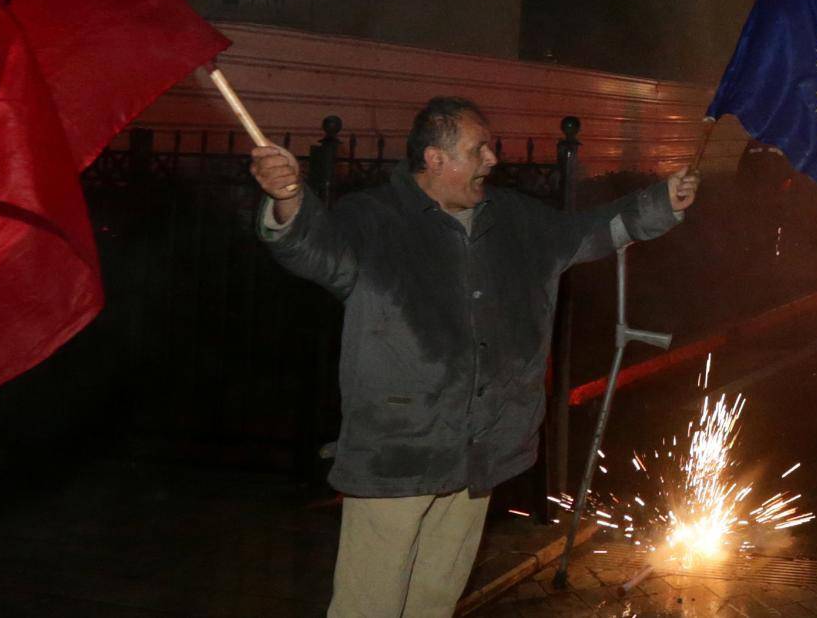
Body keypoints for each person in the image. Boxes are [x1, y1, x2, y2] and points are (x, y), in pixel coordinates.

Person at [249, 96, 700, 618]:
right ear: (436, 159)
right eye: (478, 148)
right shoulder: (374, 220)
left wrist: (662, 201)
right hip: (400, 452)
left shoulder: (513, 220)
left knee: (436, 599)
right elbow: (312, 247)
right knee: (369, 604)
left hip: (480, 449)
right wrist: (287, 197)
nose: (492, 159)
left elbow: (592, 231)